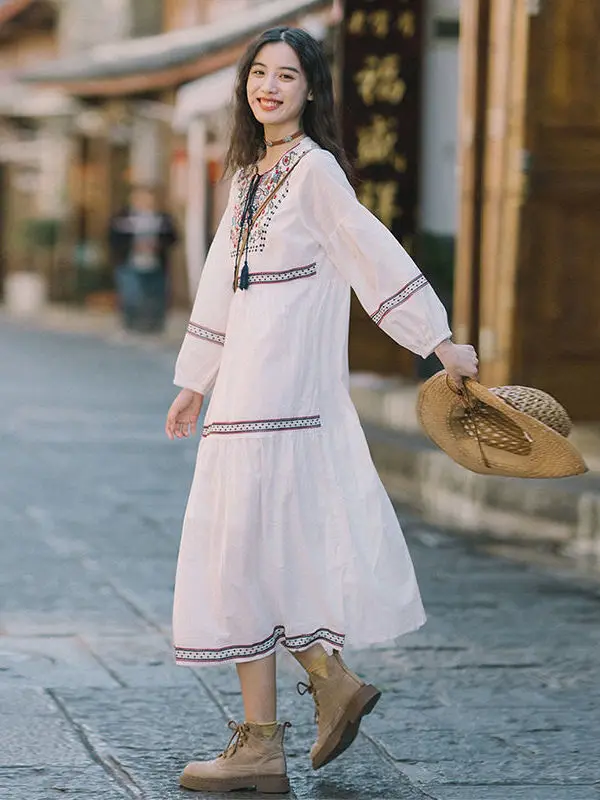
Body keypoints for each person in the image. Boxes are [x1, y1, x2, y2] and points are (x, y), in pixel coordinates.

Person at [165, 26, 478, 795]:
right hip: (241, 393)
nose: (270, 86)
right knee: (246, 550)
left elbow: (371, 252)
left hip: (288, 398)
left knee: (253, 546)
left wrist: (439, 341)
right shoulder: (247, 176)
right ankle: (290, 715)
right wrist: (196, 378)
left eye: (288, 76)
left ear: (312, 91)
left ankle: (271, 733)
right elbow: (218, 284)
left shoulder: (314, 171)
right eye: (260, 73)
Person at [108, 186, 178, 333]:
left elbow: (173, 238)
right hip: (130, 264)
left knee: (155, 297)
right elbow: (113, 238)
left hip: (156, 264)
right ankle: (131, 326)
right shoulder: (123, 217)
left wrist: (157, 245)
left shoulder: (163, 218)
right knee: (131, 296)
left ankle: (154, 327)